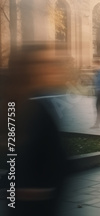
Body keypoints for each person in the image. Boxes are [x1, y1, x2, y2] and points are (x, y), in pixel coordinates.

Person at [2, 43, 70, 216]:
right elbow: (12, 155)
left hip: (44, 202)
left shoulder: (41, 103)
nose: (51, 67)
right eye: (42, 63)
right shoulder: (19, 106)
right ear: (29, 70)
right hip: (32, 205)